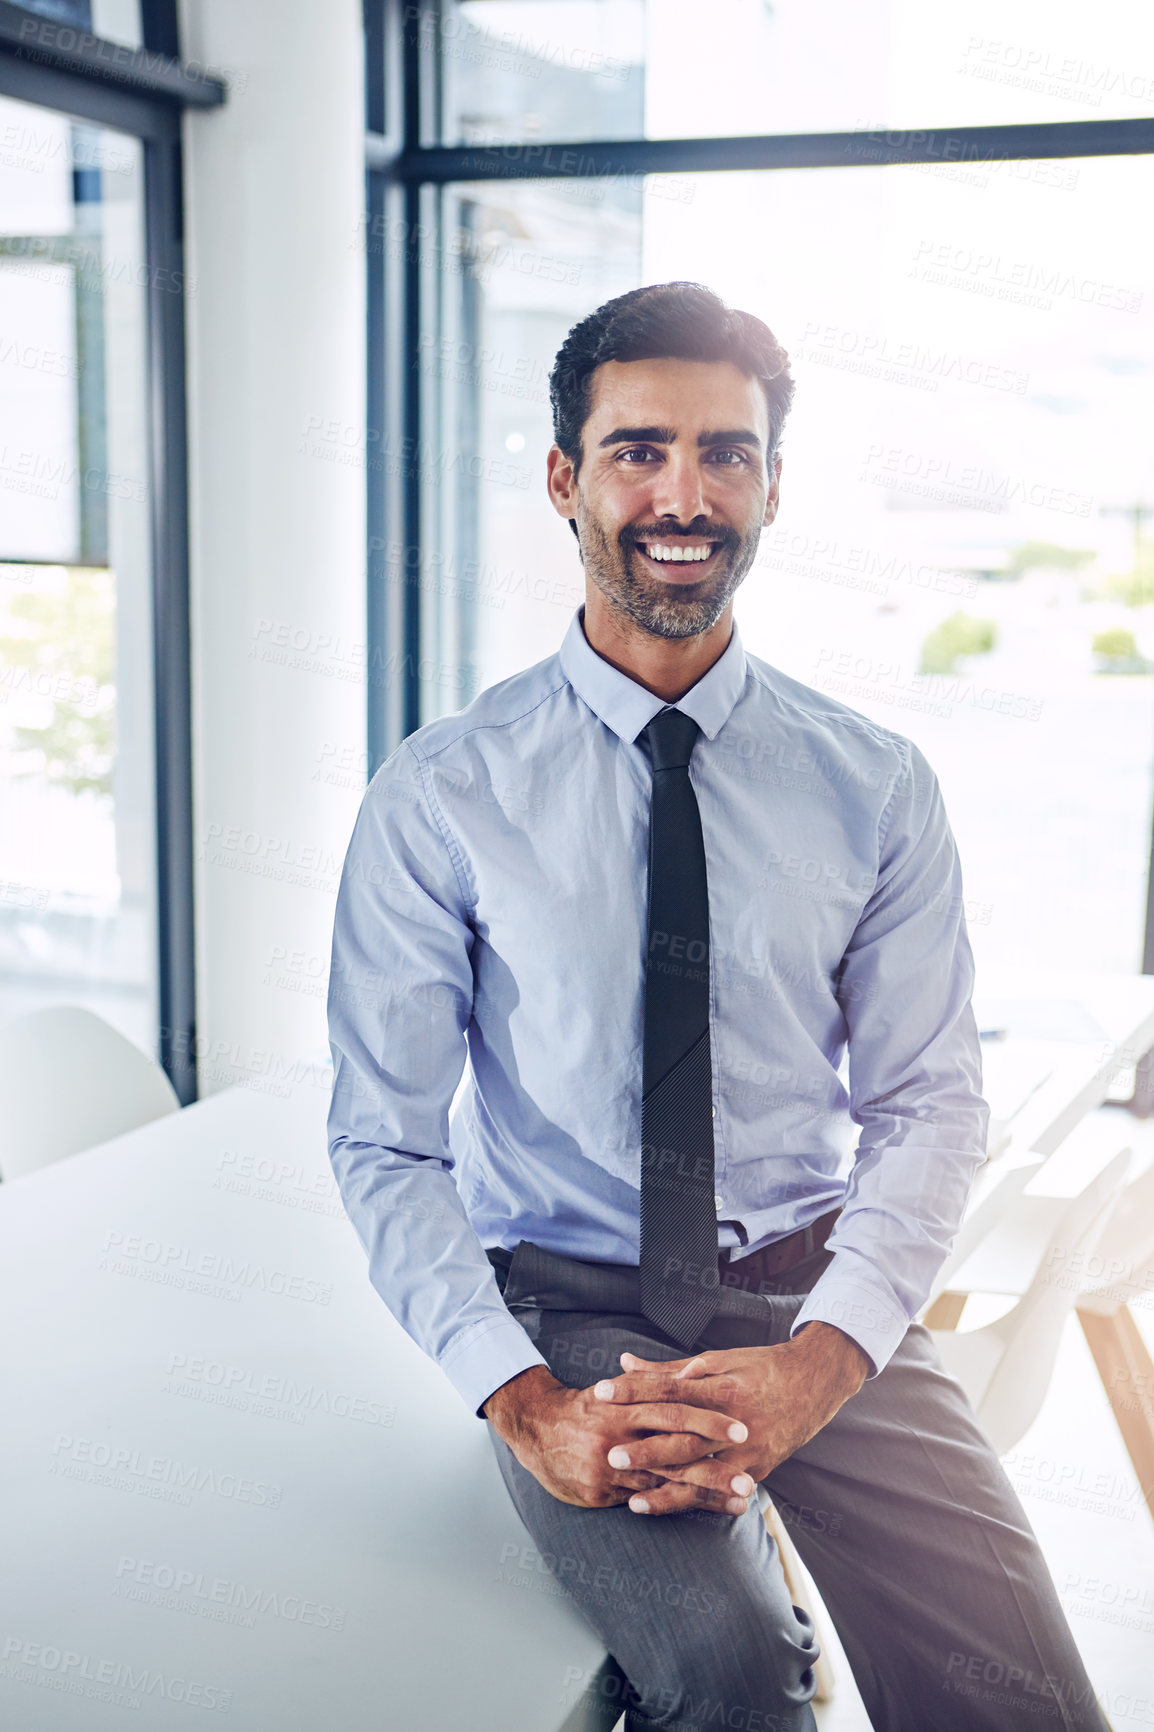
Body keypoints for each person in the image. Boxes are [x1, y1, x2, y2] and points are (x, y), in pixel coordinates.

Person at [326, 282, 1107, 1730]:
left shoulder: (871, 787)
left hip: (811, 1291)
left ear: (769, 485)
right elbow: (383, 1137)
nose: (681, 495)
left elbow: (926, 1101)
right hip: (568, 1313)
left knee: (1027, 1704)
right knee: (734, 1677)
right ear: (565, 478)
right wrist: (522, 1401)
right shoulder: (443, 794)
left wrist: (822, 1364)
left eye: (723, 453)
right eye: (636, 450)